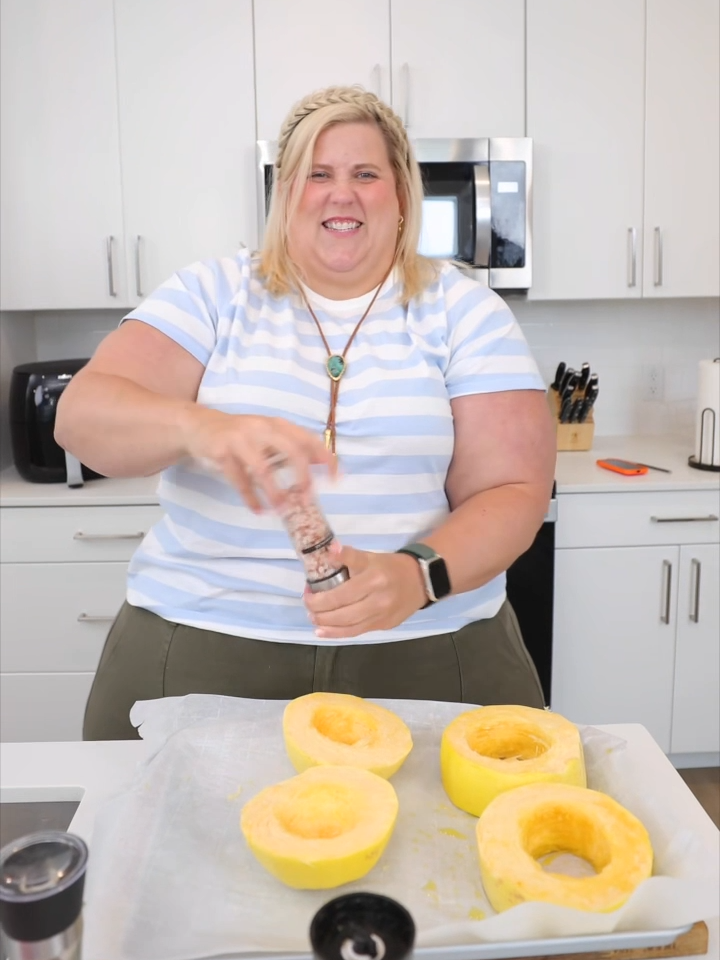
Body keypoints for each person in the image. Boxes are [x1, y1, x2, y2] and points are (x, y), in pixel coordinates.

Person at [55, 86, 556, 740]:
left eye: (365, 174)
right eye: (318, 174)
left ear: (402, 196)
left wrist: (417, 576)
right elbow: (83, 417)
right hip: (202, 640)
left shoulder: (465, 312)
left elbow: (513, 490)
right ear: (286, 194)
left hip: (432, 643)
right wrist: (200, 426)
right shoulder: (212, 294)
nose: (340, 193)